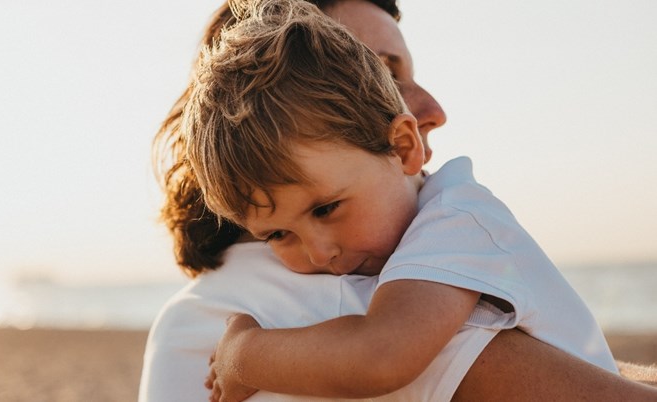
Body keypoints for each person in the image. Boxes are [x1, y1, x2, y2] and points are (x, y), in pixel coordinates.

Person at [139, 1, 657, 401]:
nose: (318, 254)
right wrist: (242, 352)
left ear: (402, 145)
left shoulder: (450, 221)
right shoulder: (314, 293)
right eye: (383, 73)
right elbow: (381, 351)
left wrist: (245, 354)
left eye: (325, 209)